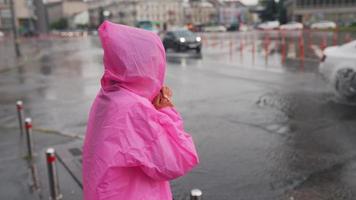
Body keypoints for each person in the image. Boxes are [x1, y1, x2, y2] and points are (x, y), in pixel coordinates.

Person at [82, 20, 199, 200]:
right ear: (139, 63)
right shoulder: (133, 107)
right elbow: (180, 159)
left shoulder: (109, 95)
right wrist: (165, 108)